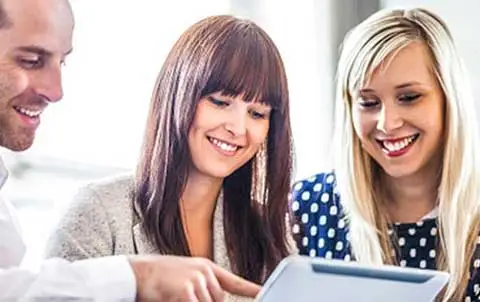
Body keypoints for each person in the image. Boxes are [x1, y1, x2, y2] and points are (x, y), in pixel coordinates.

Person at [0, 0, 260, 300]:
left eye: (63, 62)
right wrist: (135, 277)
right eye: (31, 60)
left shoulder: (267, 228)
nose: (56, 91)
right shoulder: (99, 211)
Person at [290, 7, 480, 302]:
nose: (387, 123)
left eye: (409, 98)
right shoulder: (307, 207)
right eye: (368, 102)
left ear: (450, 100)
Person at [45, 14, 296, 301]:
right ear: (178, 93)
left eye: (257, 114)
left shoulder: (268, 231)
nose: (238, 128)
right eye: (220, 102)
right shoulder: (98, 213)